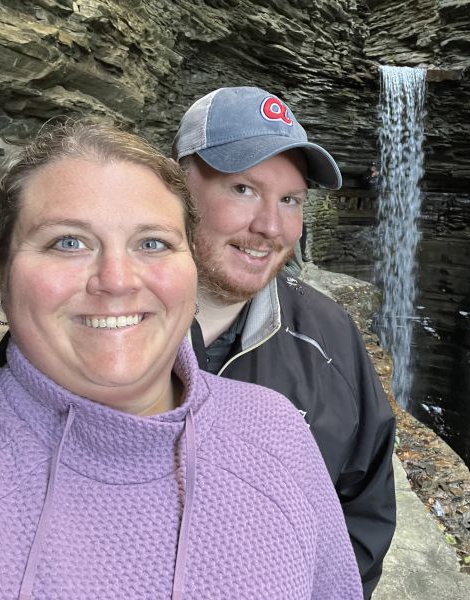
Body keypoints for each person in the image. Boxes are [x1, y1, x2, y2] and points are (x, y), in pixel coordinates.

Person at [0, 121, 362, 599]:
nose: (117, 280)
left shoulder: (279, 432)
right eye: (68, 242)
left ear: (190, 268)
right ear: (2, 273)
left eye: (152, 243)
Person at [172, 86, 396, 598]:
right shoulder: (93, 324)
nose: (269, 227)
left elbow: (362, 509)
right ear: (176, 186)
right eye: (243, 189)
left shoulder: (332, 338)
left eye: (290, 199)